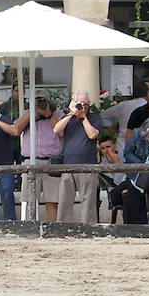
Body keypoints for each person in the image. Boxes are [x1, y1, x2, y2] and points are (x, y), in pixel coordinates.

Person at [53, 90, 103, 223]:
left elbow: (92, 135)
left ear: (89, 104)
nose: (83, 107)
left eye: (85, 104)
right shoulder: (67, 117)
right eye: (80, 104)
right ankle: (64, 226)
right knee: (64, 200)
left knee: (88, 201)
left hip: (87, 165)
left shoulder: (95, 118)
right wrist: (71, 114)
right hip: (68, 164)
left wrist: (83, 117)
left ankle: (89, 227)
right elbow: (57, 130)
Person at [14, 96, 63, 222]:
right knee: (28, 199)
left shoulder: (59, 115)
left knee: (52, 200)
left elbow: (60, 131)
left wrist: (48, 114)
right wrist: (31, 112)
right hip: (30, 161)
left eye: (44, 101)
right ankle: (28, 226)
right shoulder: (27, 114)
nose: (41, 104)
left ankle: (53, 228)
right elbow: (16, 130)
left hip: (51, 162)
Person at [97, 137, 133, 224]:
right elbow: (117, 183)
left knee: (131, 192)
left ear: (115, 146)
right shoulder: (102, 167)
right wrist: (117, 164)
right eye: (103, 148)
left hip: (129, 190)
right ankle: (128, 225)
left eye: (108, 147)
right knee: (127, 190)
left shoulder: (125, 158)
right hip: (114, 194)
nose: (106, 150)